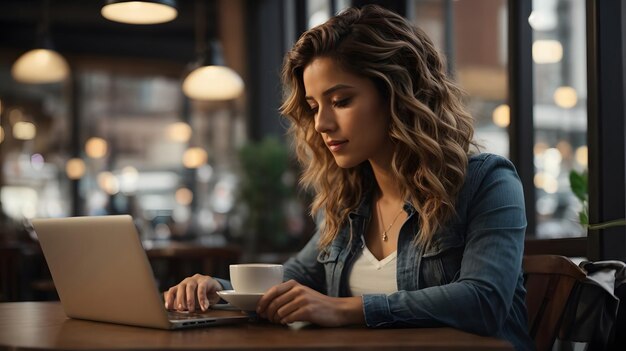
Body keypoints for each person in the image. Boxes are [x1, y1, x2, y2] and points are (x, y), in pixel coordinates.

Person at [164, 5, 533, 350]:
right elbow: (292, 283)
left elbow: (485, 301)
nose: (322, 124)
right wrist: (217, 290)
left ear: (397, 96)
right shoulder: (347, 201)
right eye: (313, 107)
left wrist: (342, 309)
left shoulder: (488, 182)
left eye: (340, 101)